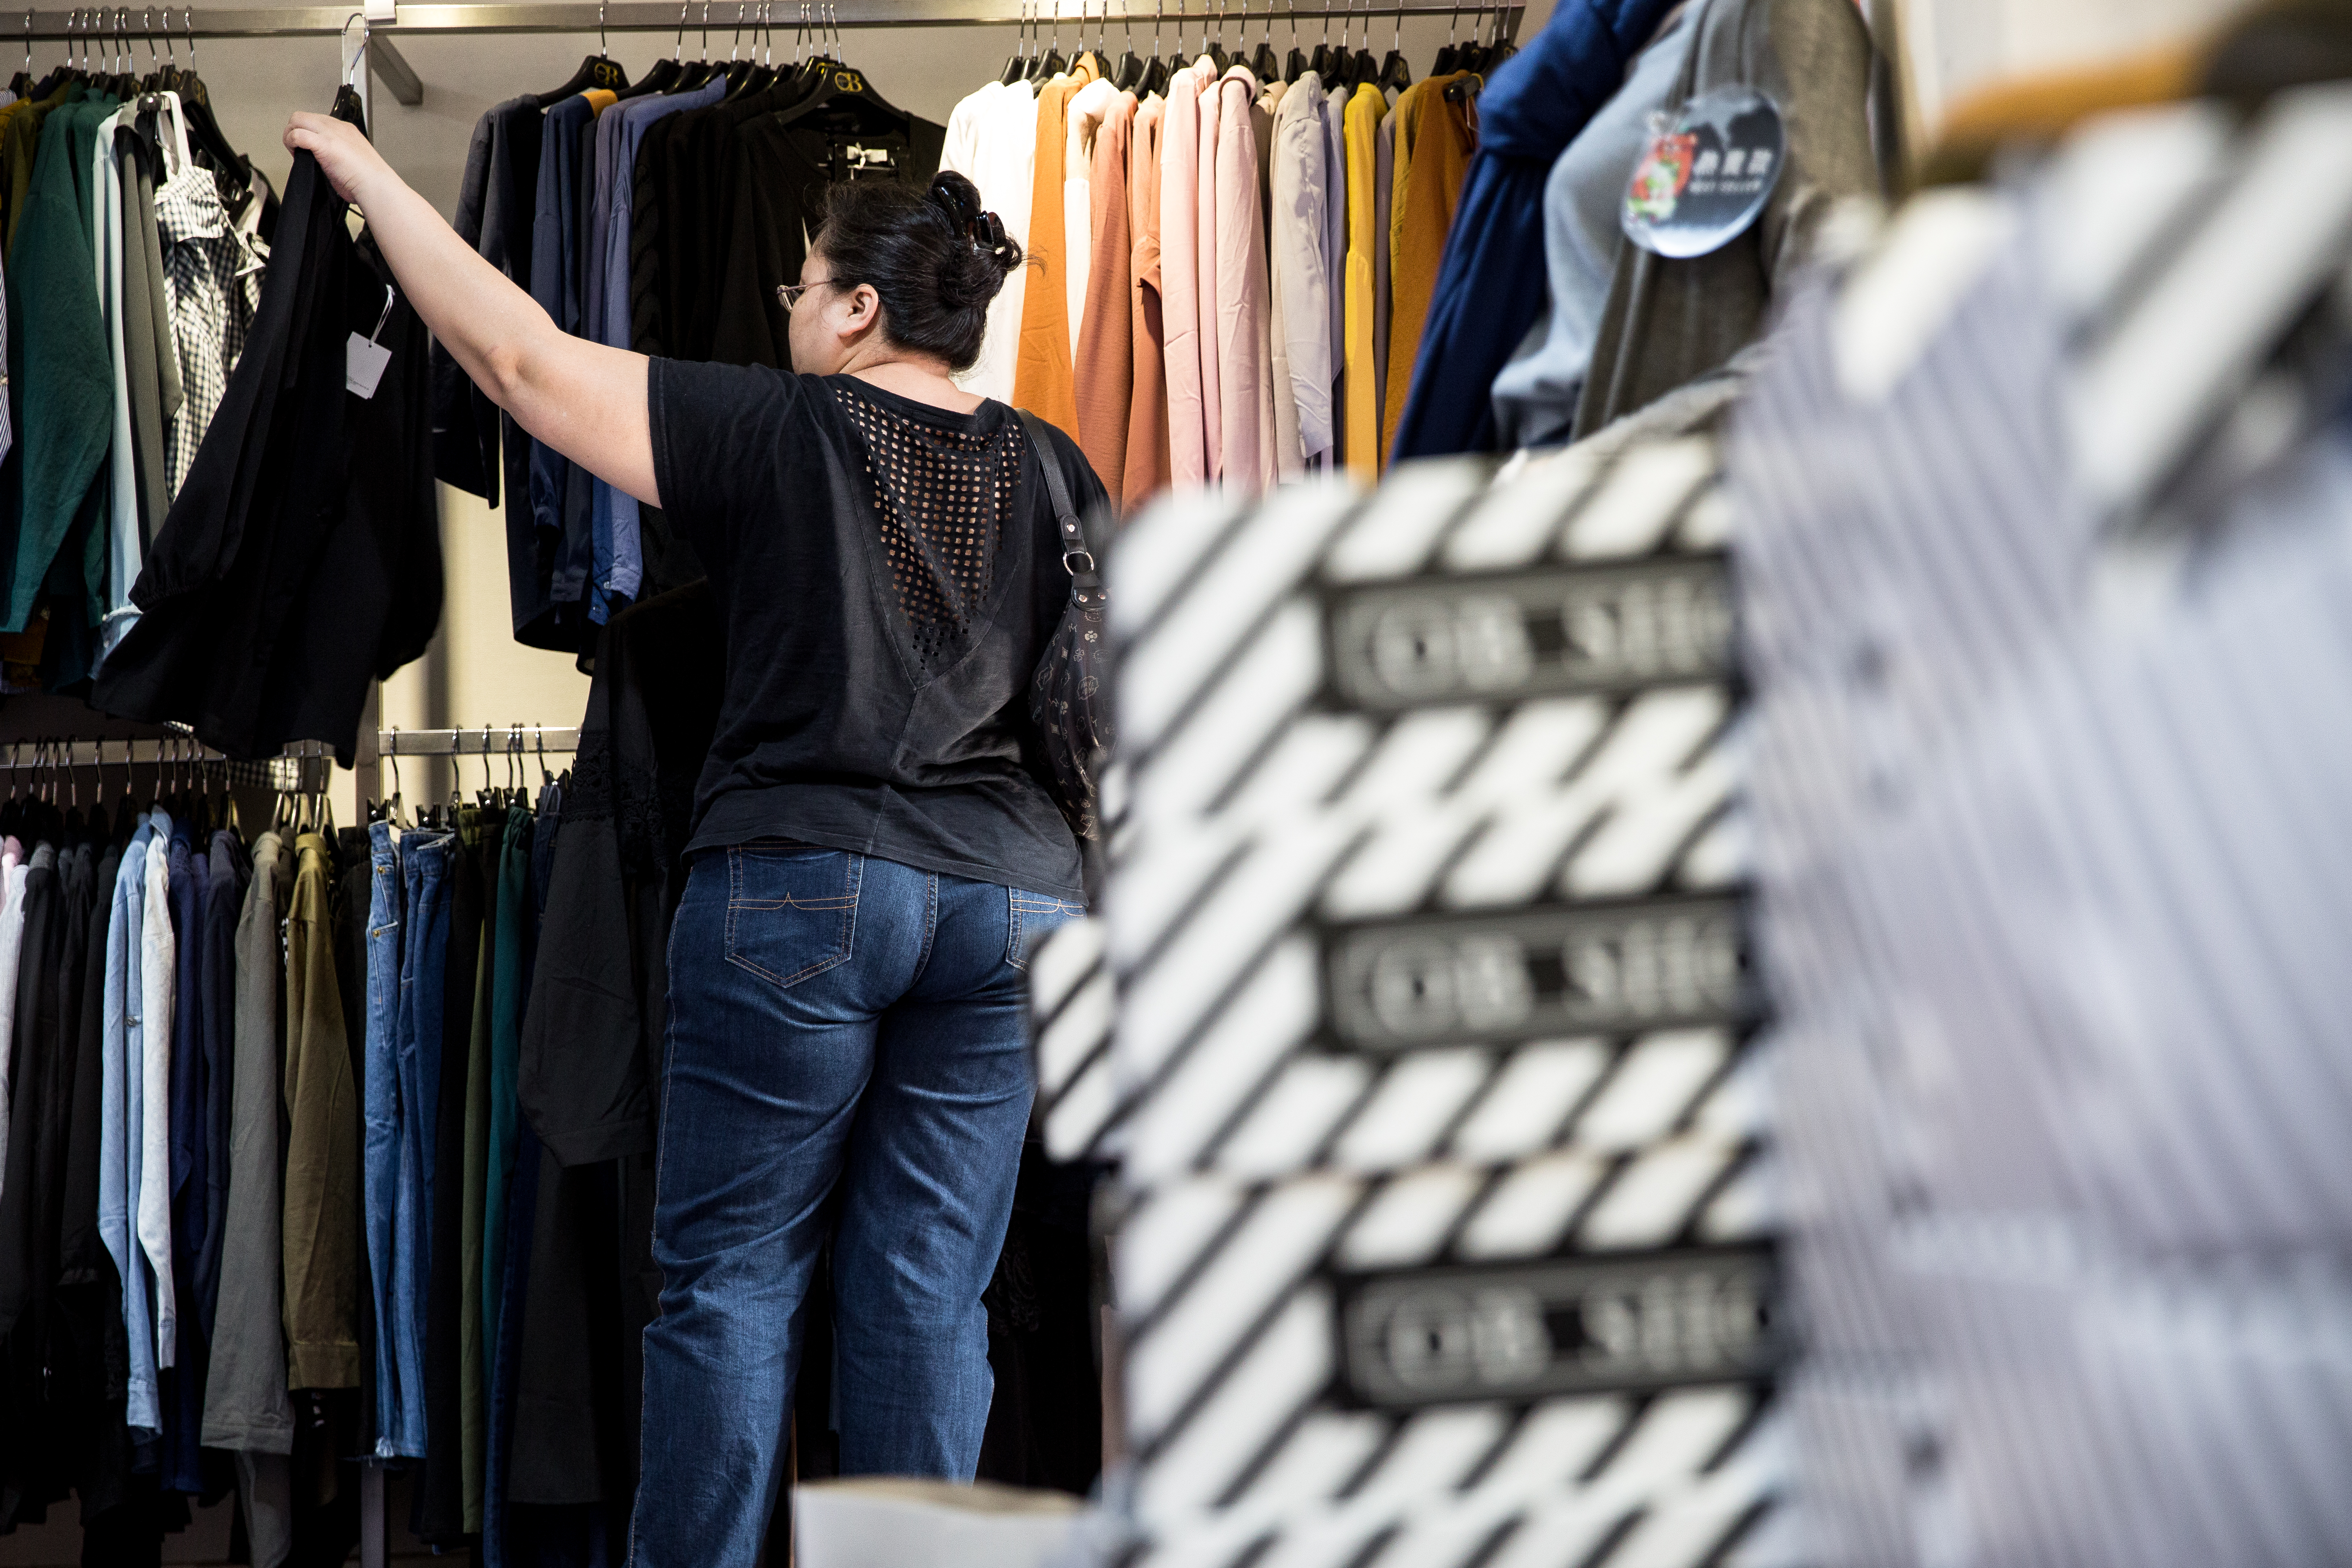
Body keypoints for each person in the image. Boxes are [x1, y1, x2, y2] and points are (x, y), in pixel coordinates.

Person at [285, 113, 1100, 1567]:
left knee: (728, 1290)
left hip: (802, 886)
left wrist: (371, 183)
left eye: (800, 288)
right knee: (926, 1298)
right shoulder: (1055, 468)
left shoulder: (784, 426)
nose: (786, 310)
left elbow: (525, 362)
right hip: (1017, 912)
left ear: (859, 307)